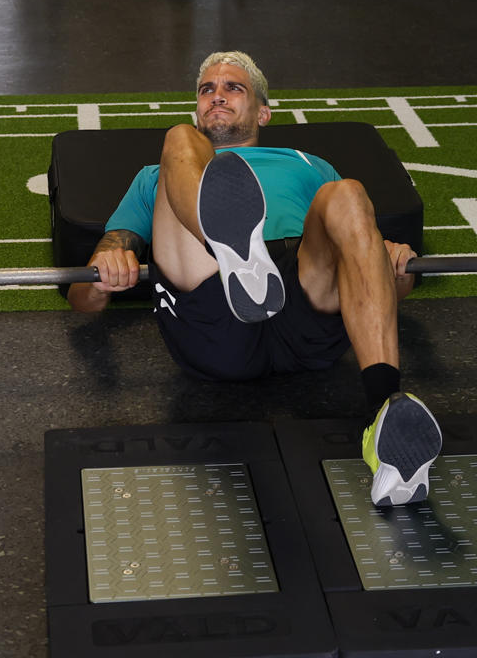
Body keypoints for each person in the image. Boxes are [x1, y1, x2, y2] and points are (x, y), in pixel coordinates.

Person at [70, 51, 442, 508]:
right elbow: (82, 297)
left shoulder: (307, 164)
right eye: (207, 89)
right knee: (179, 142)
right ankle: (229, 250)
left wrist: (392, 266)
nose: (217, 96)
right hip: (211, 306)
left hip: (303, 300)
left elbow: (387, 288)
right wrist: (102, 277)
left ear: (262, 112)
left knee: (346, 193)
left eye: (233, 88)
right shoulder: (155, 175)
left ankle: (385, 417)